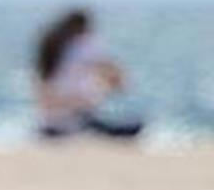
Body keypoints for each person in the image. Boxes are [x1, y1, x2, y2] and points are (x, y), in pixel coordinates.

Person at [34, 8, 143, 140]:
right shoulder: (83, 44)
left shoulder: (53, 49)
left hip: (48, 121)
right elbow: (110, 71)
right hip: (77, 119)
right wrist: (119, 85)